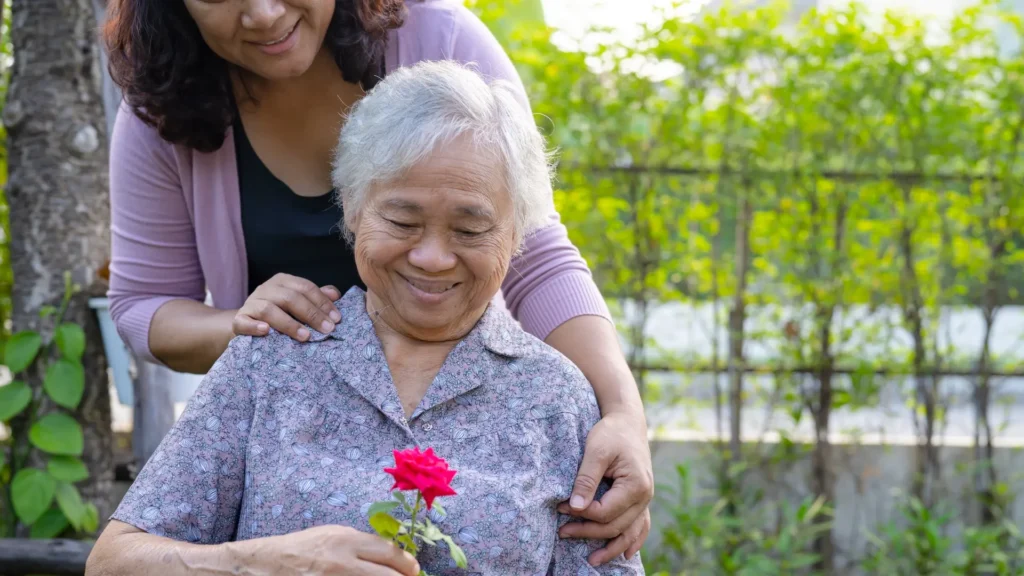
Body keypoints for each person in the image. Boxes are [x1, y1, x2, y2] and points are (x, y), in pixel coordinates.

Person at [102, 0, 653, 561]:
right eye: (402, 219)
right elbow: (144, 304)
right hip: (288, 369)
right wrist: (247, 328)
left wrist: (621, 416)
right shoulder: (258, 371)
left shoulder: (438, 35)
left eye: (465, 228)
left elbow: (536, 251)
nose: (265, 14)